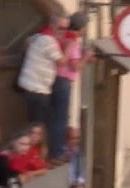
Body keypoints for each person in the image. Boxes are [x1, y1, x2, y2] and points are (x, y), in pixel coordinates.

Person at [16, 12, 68, 127]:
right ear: (52, 25)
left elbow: (26, 42)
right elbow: (62, 62)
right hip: (37, 89)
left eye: (66, 29)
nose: (64, 32)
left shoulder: (40, 36)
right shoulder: (48, 40)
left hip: (32, 86)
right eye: (61, 28)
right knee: (37, 125)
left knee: (37, 121)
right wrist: (69, 46)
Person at [48, 11, 89, 158]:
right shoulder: (72, 39)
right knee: (61, 118)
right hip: (63, 81)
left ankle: (56, 150)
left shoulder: (64, 36)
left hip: (57, 80)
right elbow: (75, 66)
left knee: (58, 117)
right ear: (82, 27)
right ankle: (57, 152)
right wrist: (86, 57)